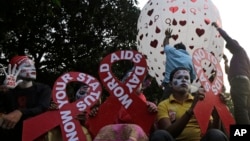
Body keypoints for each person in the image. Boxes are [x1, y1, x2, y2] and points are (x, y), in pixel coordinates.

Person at [150, 67, 229, 141]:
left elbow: (212, 131)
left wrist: (218, 110)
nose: (184, 80)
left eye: (187, 78)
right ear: (170, 84)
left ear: (190, 84)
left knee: (216, 134)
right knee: (159, 134)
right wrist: (191, 110)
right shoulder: (163, 105)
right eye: (179, 77)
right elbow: (168, 133)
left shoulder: (201, 102)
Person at [93, 69, 158, 141]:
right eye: (127, 80)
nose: (131, 84)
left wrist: (151, 115)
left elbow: (153, 131)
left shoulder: (149, 106)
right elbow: (97, 124)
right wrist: (94, 114)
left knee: (135, 129)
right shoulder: (110, 104)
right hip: (111, 136)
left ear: (141, 86)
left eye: (135, 81)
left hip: (136, 136)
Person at [0, 55, 52, 141]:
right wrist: (3, 90)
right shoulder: (8, 90)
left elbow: (43, 107)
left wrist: (20, 112)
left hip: (37, 136)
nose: (32, 69)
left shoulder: (43, 89)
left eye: (33, 66)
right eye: (27, 66)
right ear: (15, 70)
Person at [212, 22, 250, 124]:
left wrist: (218, 28)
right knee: (245, 109)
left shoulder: (239, 50)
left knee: (240, 110)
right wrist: (226, 61)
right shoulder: (239, 57)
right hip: (243, 84)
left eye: (229, 47)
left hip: (238, 82)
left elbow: (227, 38)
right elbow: (228, 72)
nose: (229, 49)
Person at [161, 28, 196, 101]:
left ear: (176, 48)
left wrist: (167, 36)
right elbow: (192, 78)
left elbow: (165, 45)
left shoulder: (171, 51)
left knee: (165, 107)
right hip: (185, 89)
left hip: (170, 86)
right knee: (185, 109)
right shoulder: (191, 59)